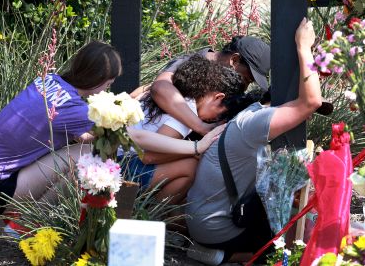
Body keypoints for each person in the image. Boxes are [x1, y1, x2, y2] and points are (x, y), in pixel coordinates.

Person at [0, 40, 224, 218]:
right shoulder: (74, 110)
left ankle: (22, 216)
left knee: (87, 148)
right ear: (99, 80)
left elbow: (80, 133)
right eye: (109, 83)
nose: (108, 89)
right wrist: (197, 146)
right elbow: (133, 137)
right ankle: (29, 221)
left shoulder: (49, 80)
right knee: (88, 159)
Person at [185, 18, 321, 264]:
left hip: (204, 218)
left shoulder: (254, 113)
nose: (304, 120)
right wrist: (304, 48)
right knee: (286, 245)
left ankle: (219, 253)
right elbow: (311, 102)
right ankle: (227, 256)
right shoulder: (254, 124)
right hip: (214, 228)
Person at [121, 55, 245, 204]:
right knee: (190, 166)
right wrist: (194, 153)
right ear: (218, 97)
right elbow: (149, 157)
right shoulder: (187, 114)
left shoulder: (178, 92)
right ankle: (149, 214)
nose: (215, 120)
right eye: (221, 114)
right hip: (121, 168)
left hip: (109, 154)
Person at [131, 35, 271, 136]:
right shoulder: (189, 64)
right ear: (234, 60)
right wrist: (201, 127)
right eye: (246, 79)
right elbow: (160, 87)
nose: (245, 87)